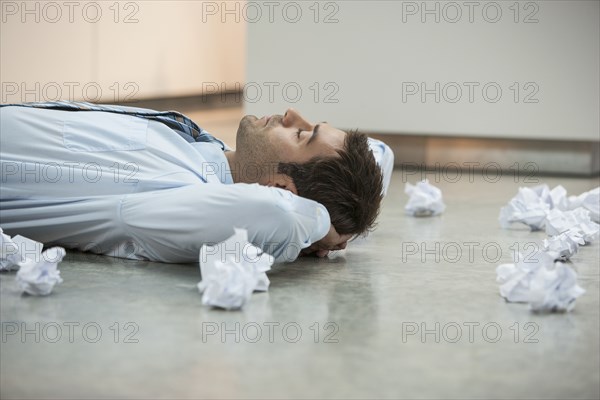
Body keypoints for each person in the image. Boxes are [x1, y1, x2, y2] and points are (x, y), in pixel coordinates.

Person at [0, 101, 393, 263]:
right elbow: (381, 152)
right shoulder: (202, 149)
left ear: (280, 187)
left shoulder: (176, 196)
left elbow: (275, 215)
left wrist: (324, 227)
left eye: (301, 136)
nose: (291, 114)